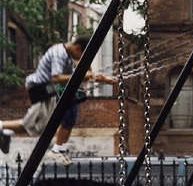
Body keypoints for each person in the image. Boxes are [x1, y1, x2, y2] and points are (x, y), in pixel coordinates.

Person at [0, 37, 116, 165]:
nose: (81, 58)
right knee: (32, 123)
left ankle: (6, 131)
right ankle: (57, 150)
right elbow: (56, 77)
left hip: (47, 89)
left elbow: (79, 74)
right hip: (40, 88)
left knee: (40, 127)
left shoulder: (67, 55)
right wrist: (87, 75)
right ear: (77, 48)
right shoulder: (59, 53)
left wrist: (98, 77)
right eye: (82, 54)